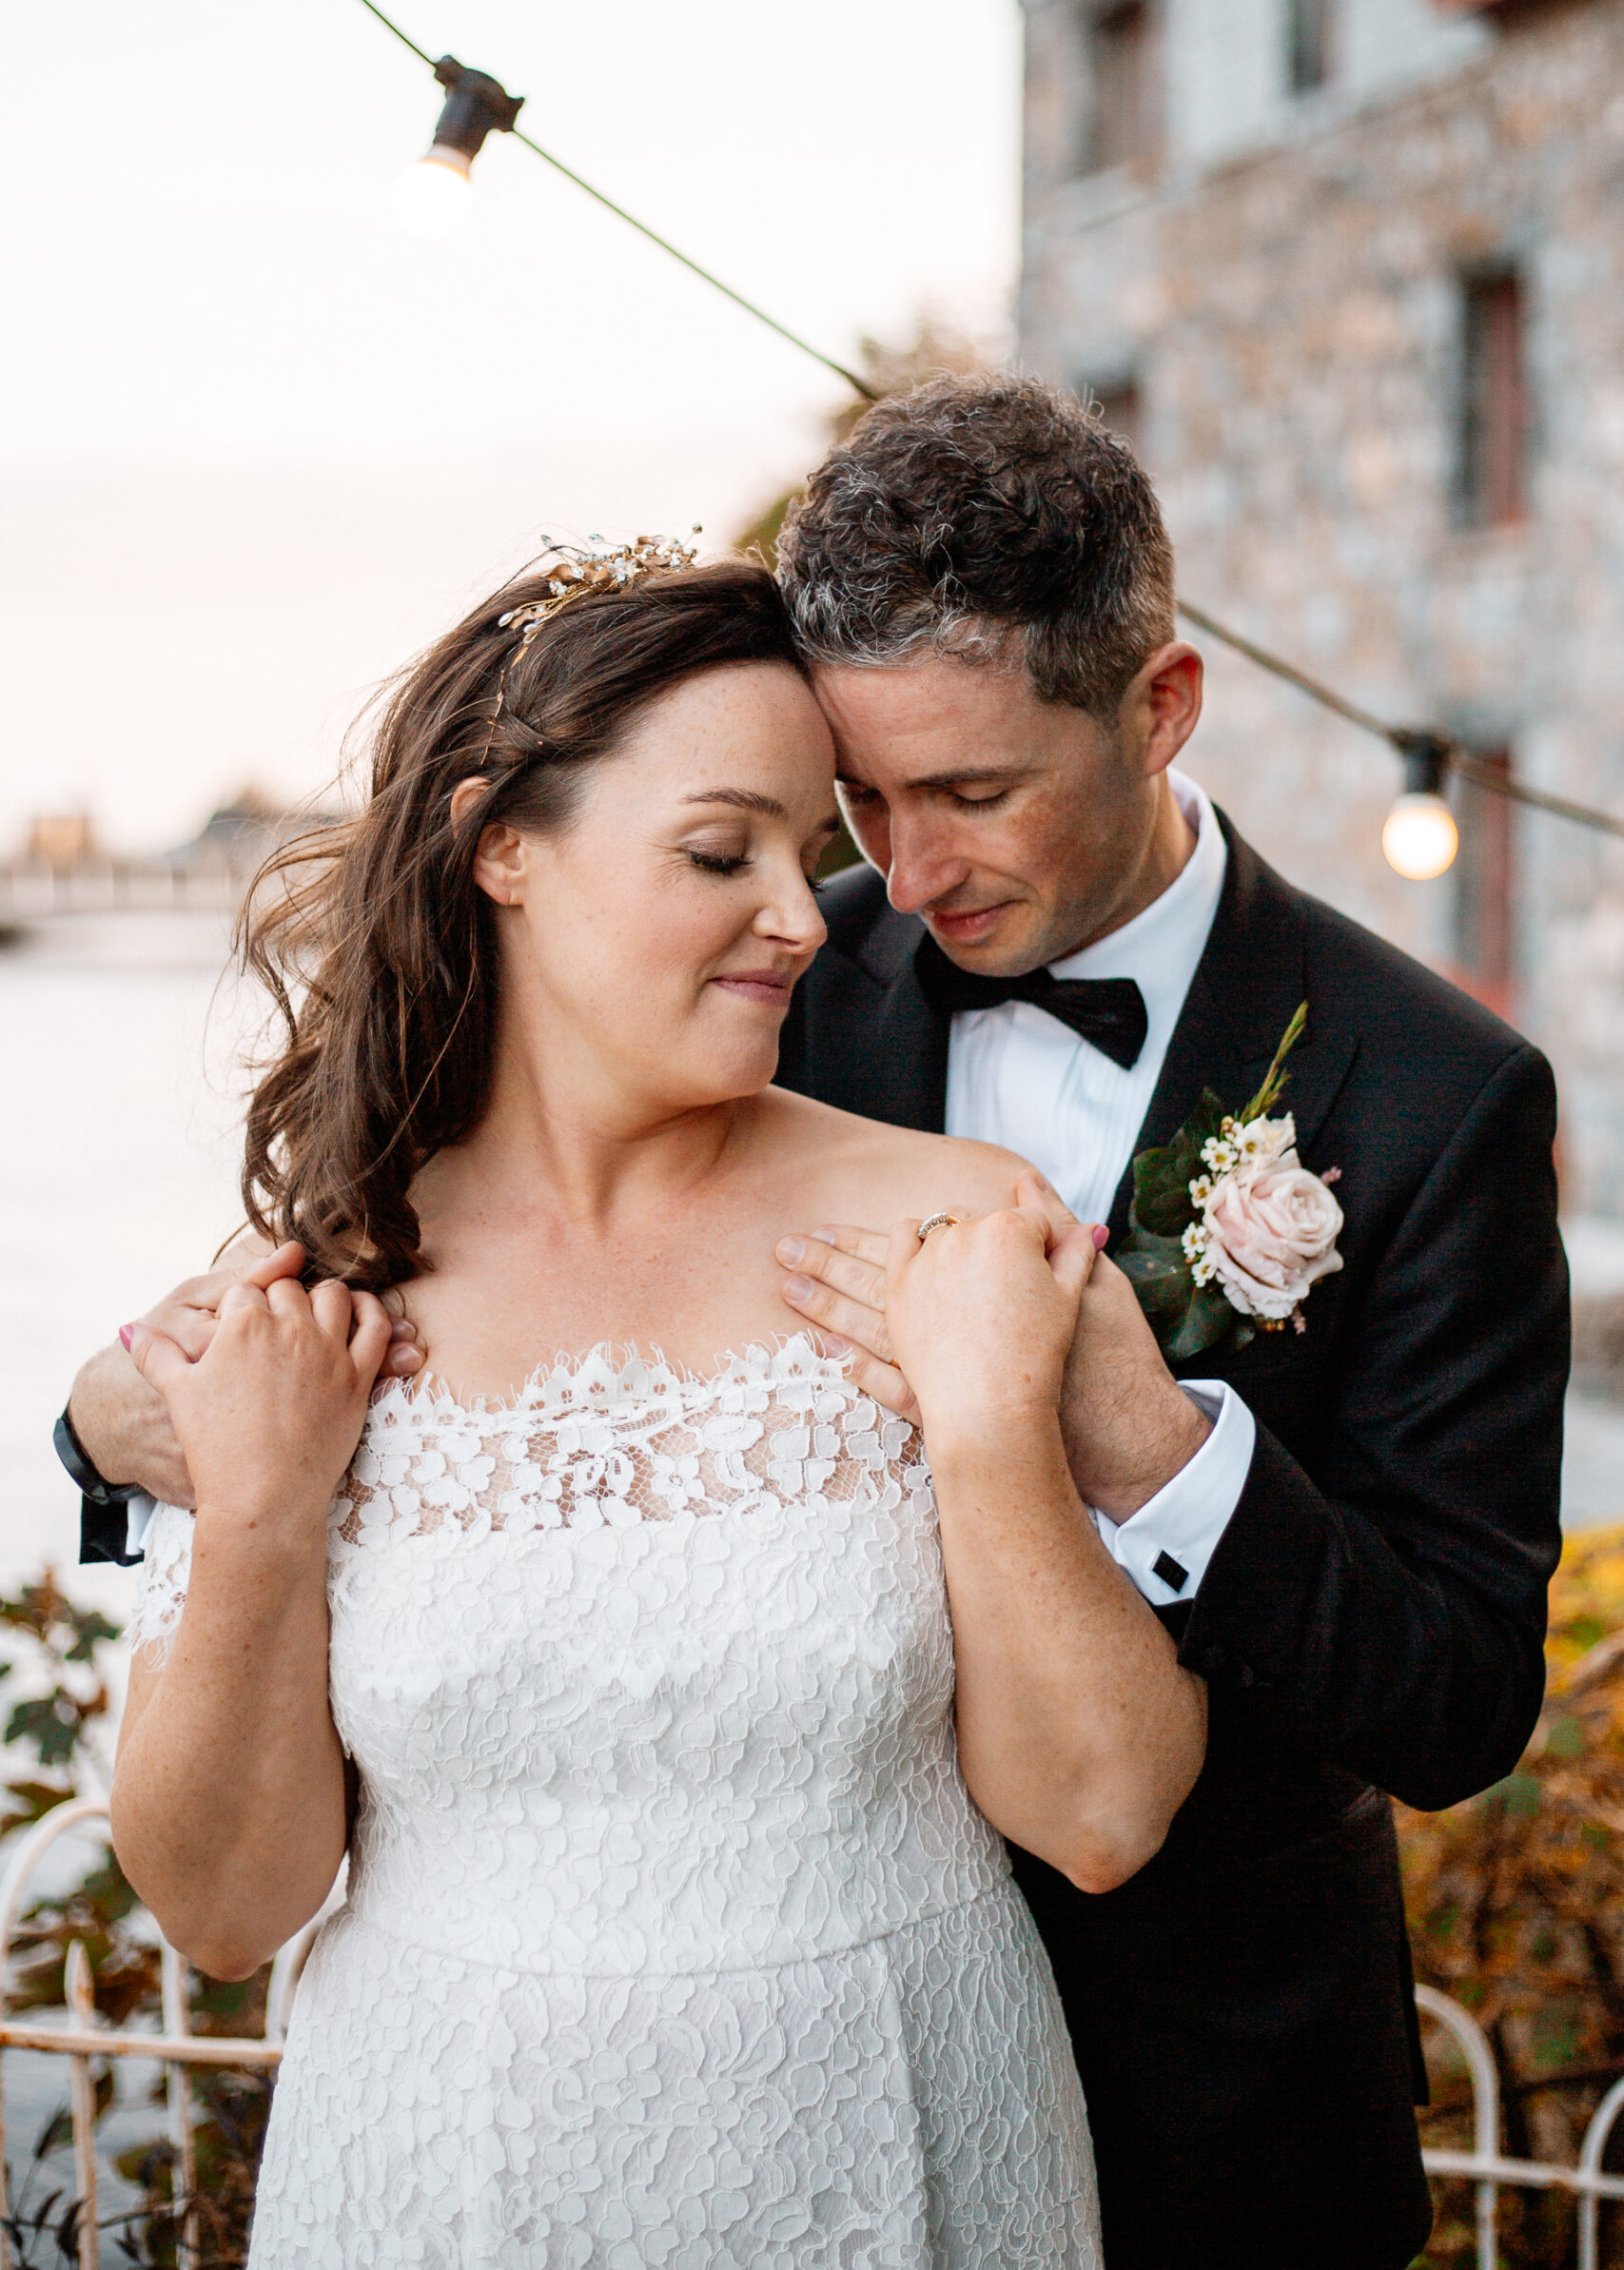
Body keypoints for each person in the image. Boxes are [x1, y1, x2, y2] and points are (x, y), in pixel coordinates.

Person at [92, 544, 1208, 2265]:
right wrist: (255, 1520)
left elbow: (1106, 1814)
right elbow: (226, 1912)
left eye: (804, 847)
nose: (803, 915)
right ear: (502, 847)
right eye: (720, 849)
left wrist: (991, 1440)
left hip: (903, 2131)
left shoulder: (954, 1223)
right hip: (443, 2163)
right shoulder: (318, 1292)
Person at [752, 373, 1568, 2268]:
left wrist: (1157, 1442)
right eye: (861, 793)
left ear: (1159, 704)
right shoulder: (772, 982)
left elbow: (1456, 1698)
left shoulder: (1436, 1091)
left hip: (1218, 2098)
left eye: (970, 790)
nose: (906, 862)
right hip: (819, 2054)